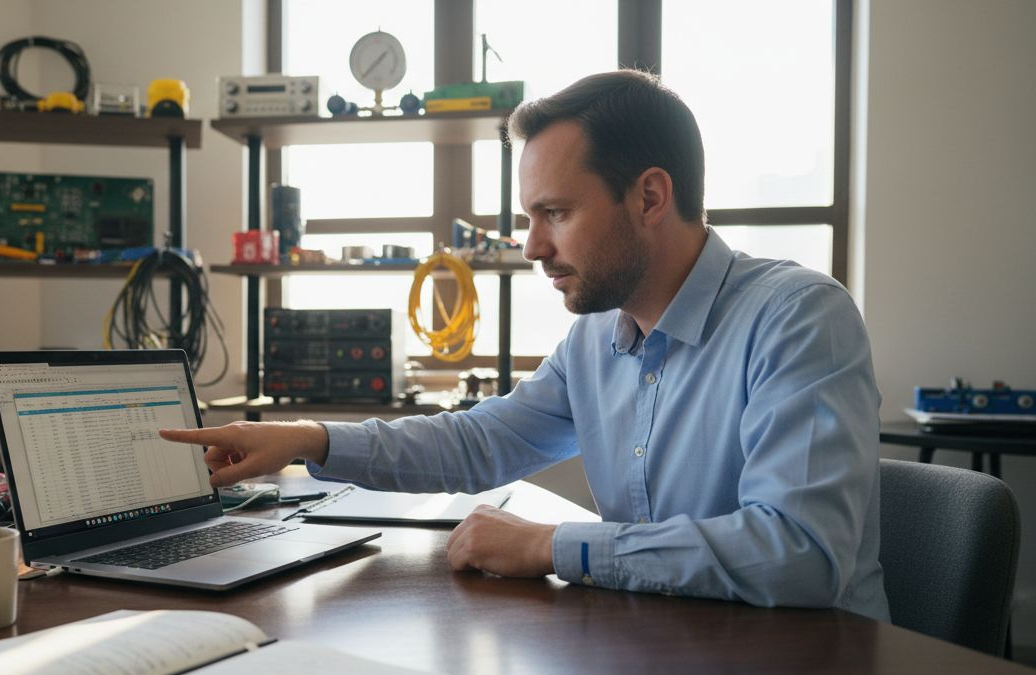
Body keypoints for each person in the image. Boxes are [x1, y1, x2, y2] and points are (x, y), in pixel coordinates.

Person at [162, 70, 889, 621]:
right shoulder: (594, 341)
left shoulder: (798, 319)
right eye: (530, 216)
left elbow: (798, 557)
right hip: (672, 654)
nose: (533, 246)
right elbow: (476, 444)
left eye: (556, 213)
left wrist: (550, 545)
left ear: (649, 197)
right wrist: (311, 439)